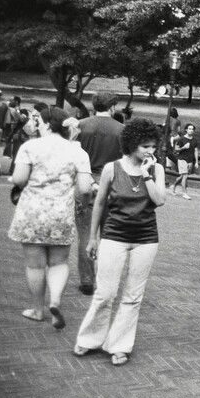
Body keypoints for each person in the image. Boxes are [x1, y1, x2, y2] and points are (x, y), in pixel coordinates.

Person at [74, 118, 167, 366]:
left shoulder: (156, 170)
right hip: (114, 235)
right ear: (132, 144)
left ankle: (119, 345)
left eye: (153, 146)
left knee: (133, 296)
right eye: (145, 146)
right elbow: (100, 203)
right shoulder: (111, 169)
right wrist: (93, 237)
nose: (151, 151)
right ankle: (89, 339)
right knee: (105, 292)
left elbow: (159, 200)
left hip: (146, 239)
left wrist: (147, 175)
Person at [7, 107, 93, 327]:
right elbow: (85, 188)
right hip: (61, 214)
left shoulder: (30, 147)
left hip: (32, 213)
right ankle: (55, 301)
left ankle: (37, 309)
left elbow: (19, 179)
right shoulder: (78, 152)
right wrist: (82, 205)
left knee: (35, 265)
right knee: (59, 262)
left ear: (45, 124)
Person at [75, 92, 124, 296]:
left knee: (86, 234)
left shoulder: (81, 125)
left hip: (86, 181)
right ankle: (106, 280)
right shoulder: (121, 130)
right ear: (112, 107)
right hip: (112, 184)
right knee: (109, 237)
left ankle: (87, 280)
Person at [170, 123, 200, 200]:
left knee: (182, 176)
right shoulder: (181, 139)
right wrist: (183, 147)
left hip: (190, 160)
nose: (191, 130)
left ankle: (173, 186)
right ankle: (185, 193)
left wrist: (196, 162)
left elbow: (195, 151)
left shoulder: (194, 140)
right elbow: (176, 149)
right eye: (189, 129)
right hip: (181, 159)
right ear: (186, 130)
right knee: (185, 176)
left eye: (192, 129)